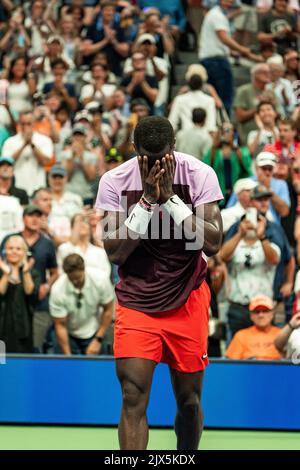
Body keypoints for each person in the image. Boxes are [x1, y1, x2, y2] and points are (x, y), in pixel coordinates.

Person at [96, 116, 223, 450]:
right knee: (132, 394)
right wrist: (149, 202)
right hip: (137, 301)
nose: (155, 166)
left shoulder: (199, 175)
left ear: (175, 148)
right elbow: (115, 251)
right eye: (146, 159)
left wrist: (170, 199)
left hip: (188, 298)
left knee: (190, 402)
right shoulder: (114, 181)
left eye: (162, 157)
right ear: (134, 150)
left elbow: (212, 243)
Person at [1, 204, 59, 353]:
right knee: (3, 354)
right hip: (6, 306)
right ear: (23, 218)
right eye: (31, 215)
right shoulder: (10, 238)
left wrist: (46, 287)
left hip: (36, 301)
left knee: (32, 345)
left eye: (38, 216)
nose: (34, 219)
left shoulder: (47, 243)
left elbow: (54, 271)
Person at [220, 210, 281, 336]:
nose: (252, 224)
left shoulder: (270, 245)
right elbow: (223, 256)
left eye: (257, 220)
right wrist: (239, 234)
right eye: (246, 220)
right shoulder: (234, 245)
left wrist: (262, 236)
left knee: (263, 349)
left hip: (263, 308)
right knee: (236, 350)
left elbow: (274, 259)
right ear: (240, 224)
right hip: (238, 307)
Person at [199, 0, 260, 116]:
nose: (229, 3)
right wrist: (242, 49)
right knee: (225, 97)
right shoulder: (217, 15)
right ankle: (225, 126)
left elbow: (219, 43)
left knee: (214, 98)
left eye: (231, 1)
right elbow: (223, 38)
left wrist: (241, 54)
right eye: (226, 0)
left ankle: (218, 124)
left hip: (211, 60)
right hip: (216, 62)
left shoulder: (215, 14)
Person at [50, 253, 114, 355]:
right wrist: (68, 355)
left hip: (95, 330)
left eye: (78, 278)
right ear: (66, 274)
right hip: (69, 333)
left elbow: (108, 310)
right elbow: (60, 325)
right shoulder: (57, 290)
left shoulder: (101, 280)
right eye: (72, 279)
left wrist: (98, 340)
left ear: (84, 270)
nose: (75, 282)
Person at [0, 235, 40, 353]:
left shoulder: (33, 273)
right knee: (2, 365)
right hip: (2, 330)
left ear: (25, 252)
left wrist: (26, 271)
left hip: (24, 330)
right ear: (4, 251)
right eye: (10, 248)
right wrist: (6, 273)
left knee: (22, 364)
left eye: (18, 249)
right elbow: (1, 292)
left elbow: (29, 292)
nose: (14, 252)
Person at [226, 151, 290, 224]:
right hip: (246, 225)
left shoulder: (281, 184)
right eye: (264, 168)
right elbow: (230, 209)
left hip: (271, 229)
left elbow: (284, 212)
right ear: (256, 168)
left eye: (270, 169)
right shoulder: (245, 183)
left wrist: (268, 190)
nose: (267, 172)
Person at [1, 111, 53, 196]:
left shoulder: (45, 140)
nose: (25, 127)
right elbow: (6, 164)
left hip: (38, 186)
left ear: (34, 123)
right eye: (23, 124)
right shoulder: (10, 141)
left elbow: (45, 161)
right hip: (16, 187)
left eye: (28, 124)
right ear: (19, 124)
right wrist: (24, 144)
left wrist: (32, 144)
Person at [203, 122, 253, 205]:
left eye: (227, 130)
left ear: (233, 132)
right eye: (222, 130)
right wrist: (214, 145)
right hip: (218, 196)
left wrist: (235, 147)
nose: (224, 133)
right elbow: (206, 169)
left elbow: (247, 168)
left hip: (236, 195)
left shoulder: (240, 151)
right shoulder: (213, 152)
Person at [225, 295, 282, 360]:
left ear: (272, 314)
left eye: (265, 311)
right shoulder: (241, 336)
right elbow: (232, 364)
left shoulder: (281, 335)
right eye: (257, 312)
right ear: (251, 316)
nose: (261, 315)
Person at [234, 64, 277, 145]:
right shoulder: (244, 91)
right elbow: (239, 117)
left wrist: (271, 106)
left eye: (269, 72)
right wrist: (259, 107)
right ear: (255, 75)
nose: (268, 75)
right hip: (249, 138)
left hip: (272, 138)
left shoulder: (271, 92)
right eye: (264, 72)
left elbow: (278, 114)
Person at [57, 212, 111, 277]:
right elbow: (61, 273)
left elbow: (106, 275)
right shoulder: (64, 249)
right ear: (71, 228)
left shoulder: (100, 252)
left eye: (85, 221)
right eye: (78, 222)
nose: (82, 224)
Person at [48, 164, 83, 245]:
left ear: (66, 178)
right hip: (49, 239)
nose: (57, 180)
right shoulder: (44, 198)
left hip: (73, 240)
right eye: (54, 177)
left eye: (60, 177)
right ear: (49, 178)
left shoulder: (76, 199)